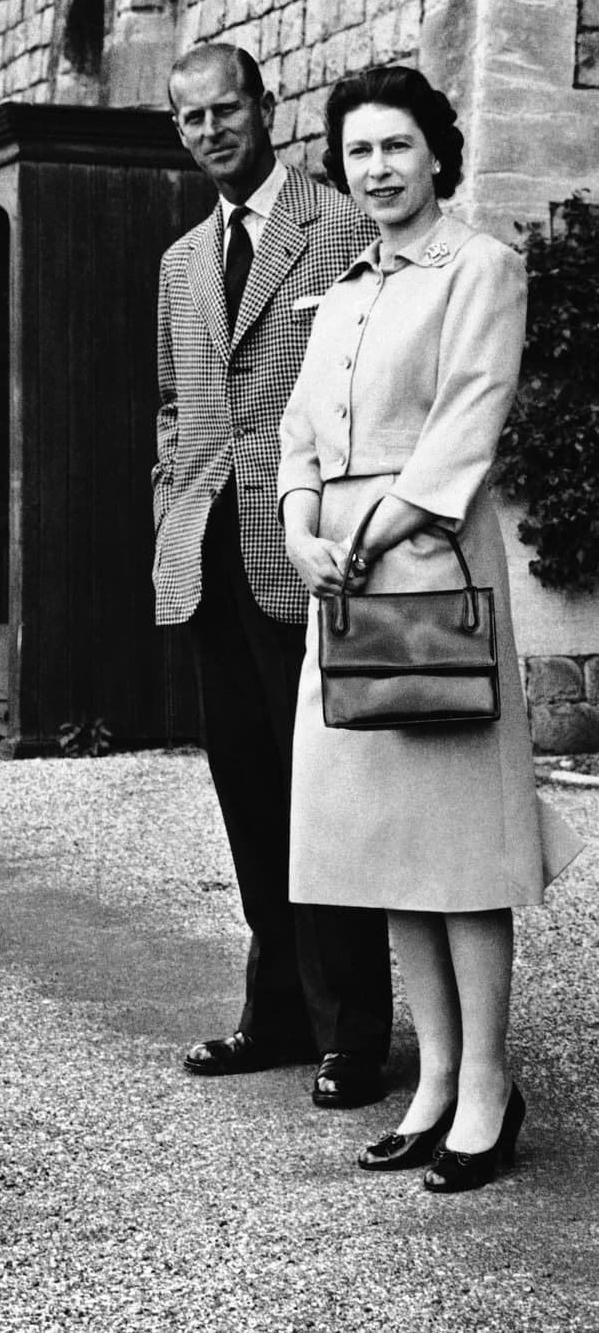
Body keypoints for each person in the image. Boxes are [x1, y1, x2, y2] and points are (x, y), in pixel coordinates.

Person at [279, 64, 584, 1190]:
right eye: (358, 152)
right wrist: (303, 525)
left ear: (434, 151)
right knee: (387, 848)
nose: (377, 170)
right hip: (343, 581)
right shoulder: (344, 288)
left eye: (396, 147)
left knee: (458, 847)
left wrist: (377, 526)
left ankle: (490, 1086)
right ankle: (437, 1079)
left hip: (430, 567)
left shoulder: (480, 267)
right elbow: (297, 434)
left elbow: (468, 417)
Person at [154, 42, 393, 1107]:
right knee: (248, 793)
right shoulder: (176, 264)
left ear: (264, 107)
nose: (211, 131)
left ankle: (353, 1030)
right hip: (208, 555)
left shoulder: (339, 224)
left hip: (309, 552)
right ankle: (278, 1012)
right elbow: (174, 407)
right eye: (190, 118)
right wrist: (168, 493)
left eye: (225, 110)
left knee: (328, 796)